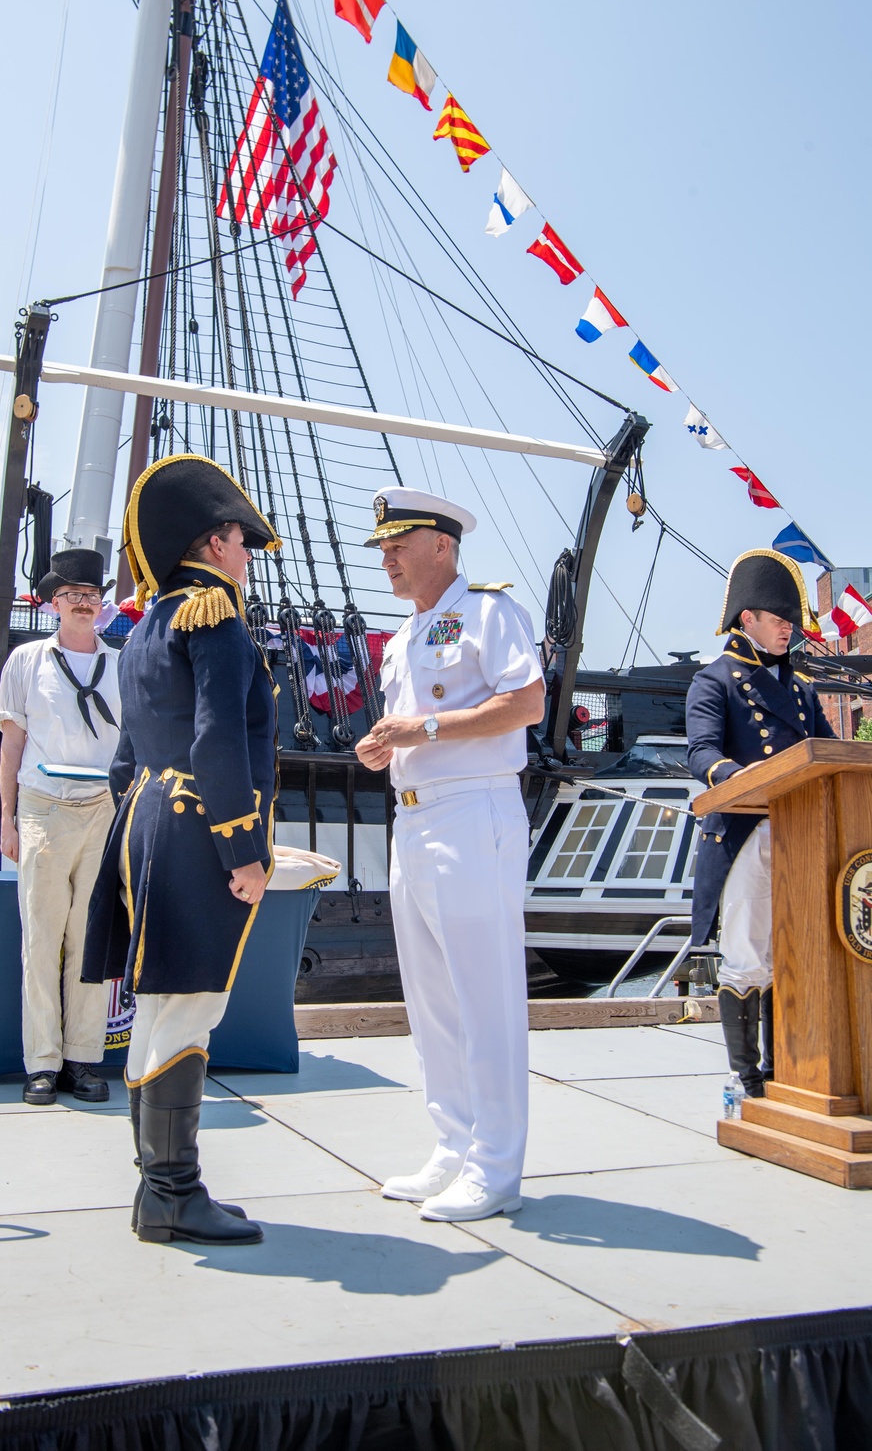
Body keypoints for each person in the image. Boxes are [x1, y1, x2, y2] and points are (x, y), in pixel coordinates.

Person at [82, 455, 280, 1247]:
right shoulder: (216, 618)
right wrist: (242, 846)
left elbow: (129, 753)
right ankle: (172, 1193)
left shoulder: (145, 627)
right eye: (241, 542)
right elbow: (219, 739)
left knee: (160, 1005)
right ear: (216, 541)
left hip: (145, 818)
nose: (246, 558)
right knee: (190, 1005)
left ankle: (158, 1191)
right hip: (200, 822)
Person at [355, 487, 546, 1223]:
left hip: (475, 812)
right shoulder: (405, 637)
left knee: (485, 995)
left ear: (443, 544)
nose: (388, 559)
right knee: (432, 999)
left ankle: (495, 1167)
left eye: (398, 546)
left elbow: (524, 704)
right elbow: (412, 725)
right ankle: (454, 1144)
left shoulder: (490, 613)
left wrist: (423, 732)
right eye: (382, 549)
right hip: (414, 819)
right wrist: (387, 743)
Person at [686, 548, 835, 1096]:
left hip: (803, 832)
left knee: (797, 951)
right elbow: (701, 753)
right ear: (746, 618)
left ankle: (788, 1071)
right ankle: (746, 1078)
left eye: (791, 624)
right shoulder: (714, 681)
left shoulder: (801, 691)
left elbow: (830, 753)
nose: (788, 633)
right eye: (779, 622)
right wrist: (742, 777)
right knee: (749, 955)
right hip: (749, 831)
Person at [0, 549, 120, 1105]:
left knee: (89, 939)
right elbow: (13, 743)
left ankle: (83, 1059)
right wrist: (7, 818)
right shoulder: (27, 661)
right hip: (43, 806)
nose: (83, 604)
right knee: (42, 938)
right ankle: (42, 1062)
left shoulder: (119, 665)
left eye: (91, 596)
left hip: (101, 809)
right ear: (54, 603)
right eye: (72, 596)